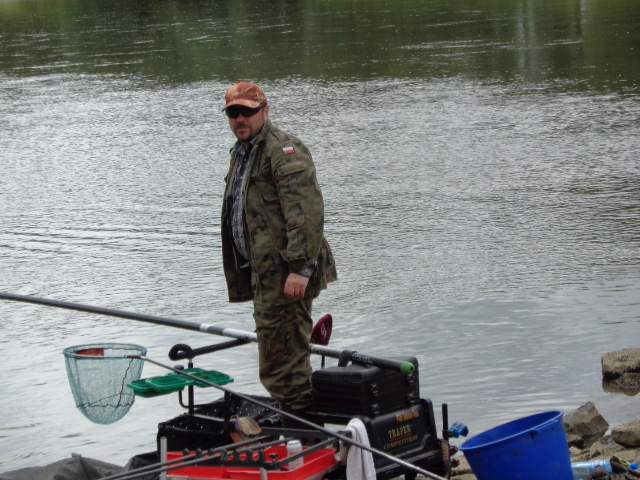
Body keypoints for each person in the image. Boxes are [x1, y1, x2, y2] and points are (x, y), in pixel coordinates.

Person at [219, 82, 337, 421]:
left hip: (289, 275)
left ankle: (306, 431)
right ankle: (297, 424)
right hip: (264, 275)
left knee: (283, 366)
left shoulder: (283, 150)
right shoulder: (242, 152)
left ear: (265, 111)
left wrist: (301, 269)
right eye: (233, 113)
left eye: (247, 112)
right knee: (278, 361)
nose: (240, 119)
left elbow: (306, 213)